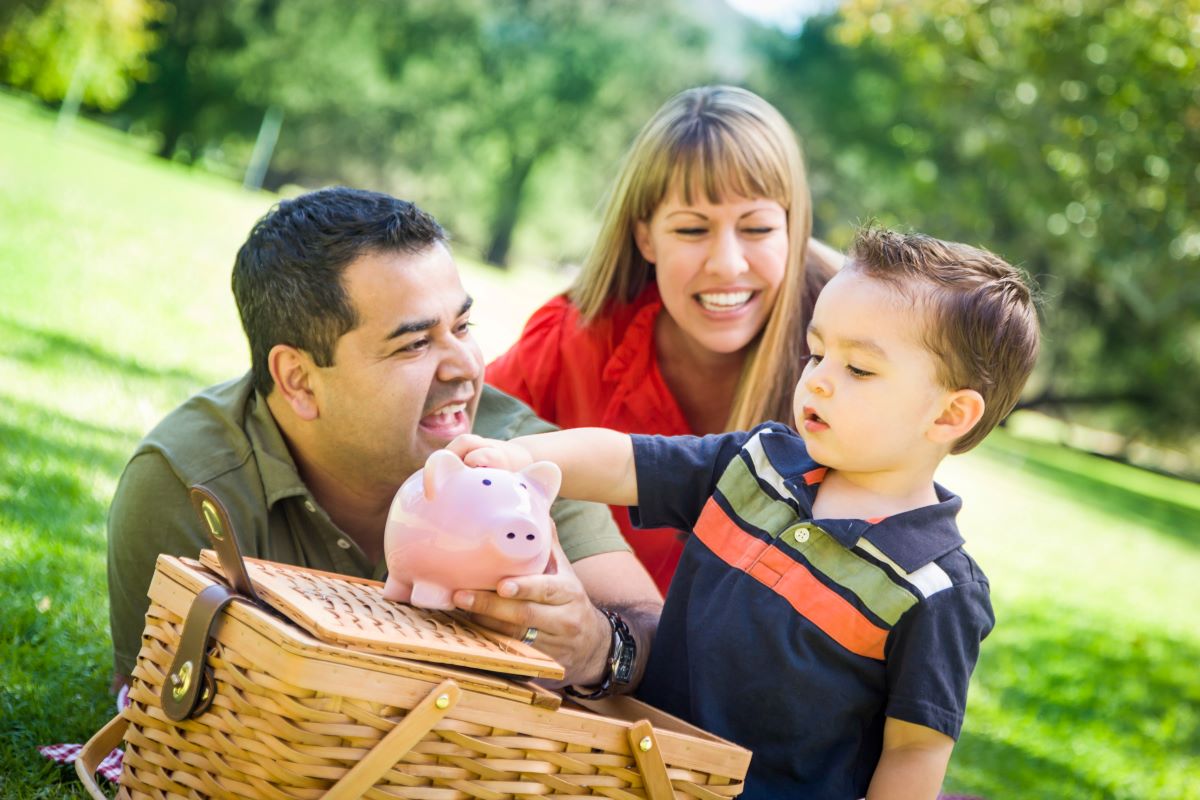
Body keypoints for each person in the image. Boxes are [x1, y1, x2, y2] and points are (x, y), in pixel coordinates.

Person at [451, 226, 1041, 799]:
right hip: (627, 766)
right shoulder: (757, 464)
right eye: (816, 353)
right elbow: (625, 460)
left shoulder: (934, 589)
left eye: (858, 369)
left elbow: (915, 751)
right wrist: (519, 454)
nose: (818, 382)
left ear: (948, 417)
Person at [106, 187, 662, 698]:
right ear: (299, 379)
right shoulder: (190, 480)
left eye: (463, 327)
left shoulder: (516, 460)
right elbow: (156, 705)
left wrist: (595, 646)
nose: (468, 365)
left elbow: (652, 631)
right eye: (416, 343)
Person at [486, 85, 841, 595]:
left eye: (758, 228)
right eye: (693, 230)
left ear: (793, 228)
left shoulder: (851, 364)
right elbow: (458, 443)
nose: (726, 264)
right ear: (646, 237)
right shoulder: (573, 339)